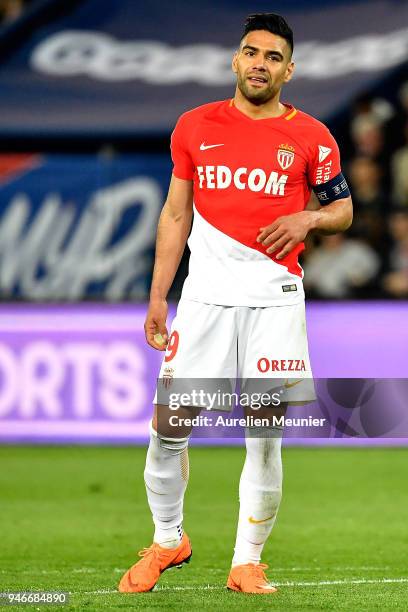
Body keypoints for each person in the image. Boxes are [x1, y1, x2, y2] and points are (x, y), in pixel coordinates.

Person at [118, 12, 352, 595]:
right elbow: (175, 214)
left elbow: (344, 210)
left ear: (289, 71)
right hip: (203, 301)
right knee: (168, 427)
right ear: (235, 59)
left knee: (263, 433)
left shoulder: (314, 136)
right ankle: (169, 540)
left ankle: (246, 561)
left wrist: (310, 216)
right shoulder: (194, 127)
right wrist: (157, 296)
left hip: (274, 301)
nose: (259, 64)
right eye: (251, 53)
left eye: (273, 58)